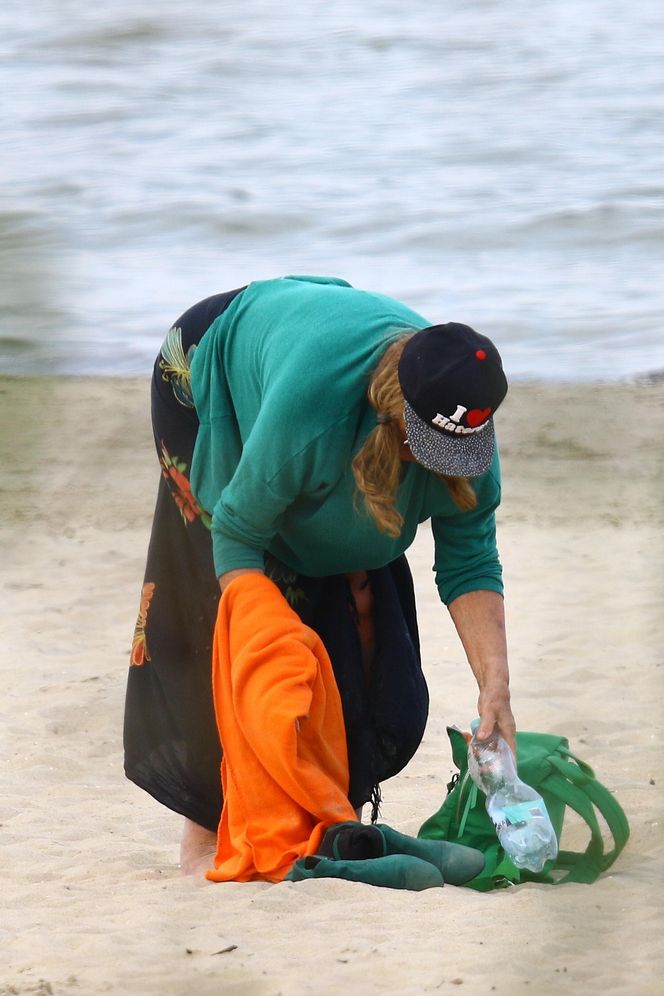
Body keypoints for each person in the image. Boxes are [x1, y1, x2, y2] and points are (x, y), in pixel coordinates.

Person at [124, 274, 514, 877]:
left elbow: (470, 561)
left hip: (313, 359)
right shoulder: (312, 418)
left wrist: (495, 686)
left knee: (357, 596)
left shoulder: (461, 428)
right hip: (208, 367)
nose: (446, 466)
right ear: (395, 412)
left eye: (457, 449)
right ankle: (208, 834)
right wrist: (267, 635)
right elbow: (237, 535)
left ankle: (332, 817)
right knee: (249, 623)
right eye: (429, 447)